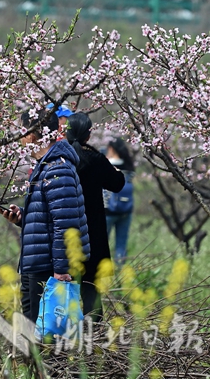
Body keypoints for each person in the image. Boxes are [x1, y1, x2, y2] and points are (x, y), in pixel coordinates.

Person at [0, 110, 90, 323]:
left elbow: (66, 224)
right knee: (34, 327)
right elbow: (50, 216)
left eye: (22, 132)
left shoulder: (58, 169)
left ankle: (47, 358)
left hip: (48, 265)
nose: (20, 139)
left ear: (31, 135)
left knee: (47, 332)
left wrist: (61, 270)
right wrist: (23, 219)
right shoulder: (45, 167)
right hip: (37, 260)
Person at [65, 113, 125, 321]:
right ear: (87, 136)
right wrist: (116, 170)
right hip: (92, 236)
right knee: (91, 293)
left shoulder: (60, 158)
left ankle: (61, 341)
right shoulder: (96, 159)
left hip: (64, 235)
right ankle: (93, 342)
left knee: (62, 294)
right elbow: (117, 184)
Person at [104, 137, 136, 266]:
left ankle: (102, 275)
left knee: (101, 246)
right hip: (126, 211)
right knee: (121, 245)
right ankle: (121, 273)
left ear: (111, 149)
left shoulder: (106, 165)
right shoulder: (129, 167)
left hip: (108, 211)